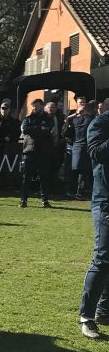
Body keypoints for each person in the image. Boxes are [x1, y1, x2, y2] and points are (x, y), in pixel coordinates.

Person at [78, 97, 109, 339]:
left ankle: (104, 311)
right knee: (103, 256)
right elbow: (96, 153)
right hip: (106, 199)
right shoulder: (99, 124)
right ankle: (86, 317)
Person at [20, 99, 55, 208]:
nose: (35, 108)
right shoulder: (28, 118)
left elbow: (47, 130)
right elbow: (25, 130)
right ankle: (23, 200)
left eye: (37, 106)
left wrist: (33, 130)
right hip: (29, 150)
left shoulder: (48, 118)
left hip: (43, 152)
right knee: (26, 177)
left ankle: (45, 200)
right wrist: (39, 129)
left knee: (44, 177)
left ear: (42, 106)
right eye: (33, 106)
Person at [63, 97, 93, 199]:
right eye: (80, 102)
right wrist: (75, 114)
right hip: (75, 145)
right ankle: (71, 191)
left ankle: (80, 192)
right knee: (75, 169)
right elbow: (65, 130)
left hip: (86, 145)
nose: (82, 104)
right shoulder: (72, 116)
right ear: (77, 103)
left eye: (84, 102)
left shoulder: (90, 116)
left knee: (84, 170)